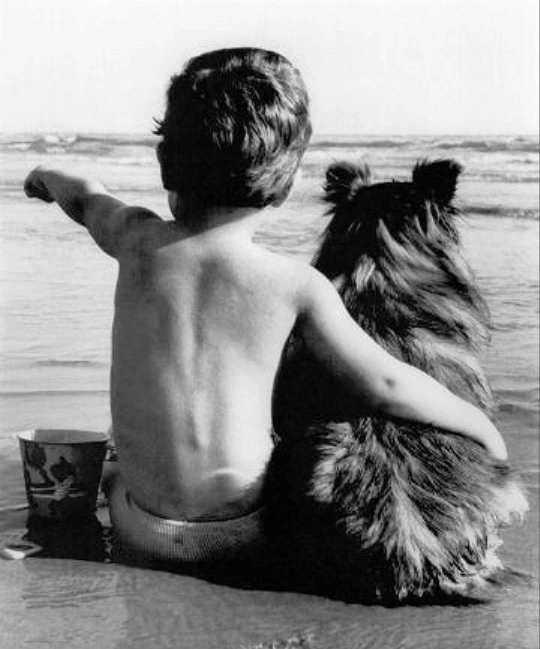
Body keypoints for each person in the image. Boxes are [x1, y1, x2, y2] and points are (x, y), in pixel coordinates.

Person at [23, 47, 507, 568]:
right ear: (286, 185)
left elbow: (85, 198)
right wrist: (480, 427)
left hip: (141, 527)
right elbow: (385, 384)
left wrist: (46, 174)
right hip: (244, 531)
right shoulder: (296, 284)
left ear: (165, 164)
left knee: (113, 464)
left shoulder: (133, 238)